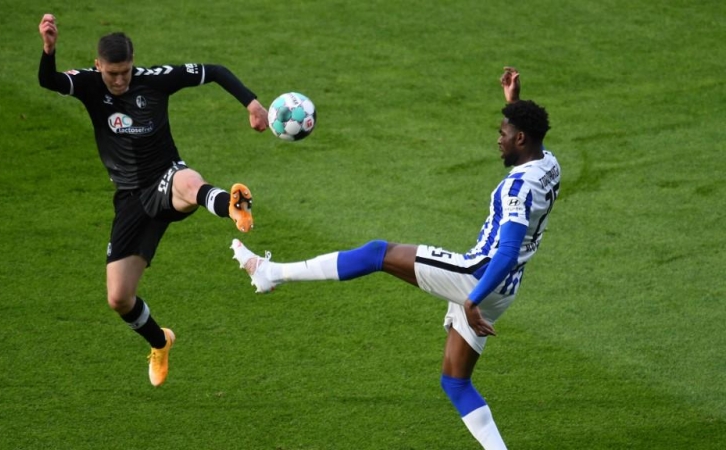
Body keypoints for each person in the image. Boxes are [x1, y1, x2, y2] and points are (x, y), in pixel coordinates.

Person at [231, 68, 559, 449]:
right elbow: (529, 136)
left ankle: (271, 273)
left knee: (377, 254)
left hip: (479, 277)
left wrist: (469, 300)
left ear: (520, 138)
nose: (498, 140)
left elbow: (504, 253)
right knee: (455, 382)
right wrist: (514, 102)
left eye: (504, 133)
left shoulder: (516, 189)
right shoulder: (548, 163)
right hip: (504, 290)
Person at [37, 13, 269, 387]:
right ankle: (161, 342)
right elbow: (48, 80)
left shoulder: (154, 81)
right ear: (99, 66)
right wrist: (49, 49)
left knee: (187, 181)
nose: (120, 79)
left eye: (125, 71)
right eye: (112, 73)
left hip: (166, 176)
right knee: (119, 298)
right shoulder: (89, 85)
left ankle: (231, 205)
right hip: (130, 199)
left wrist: (252, 104)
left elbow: (215, 71)